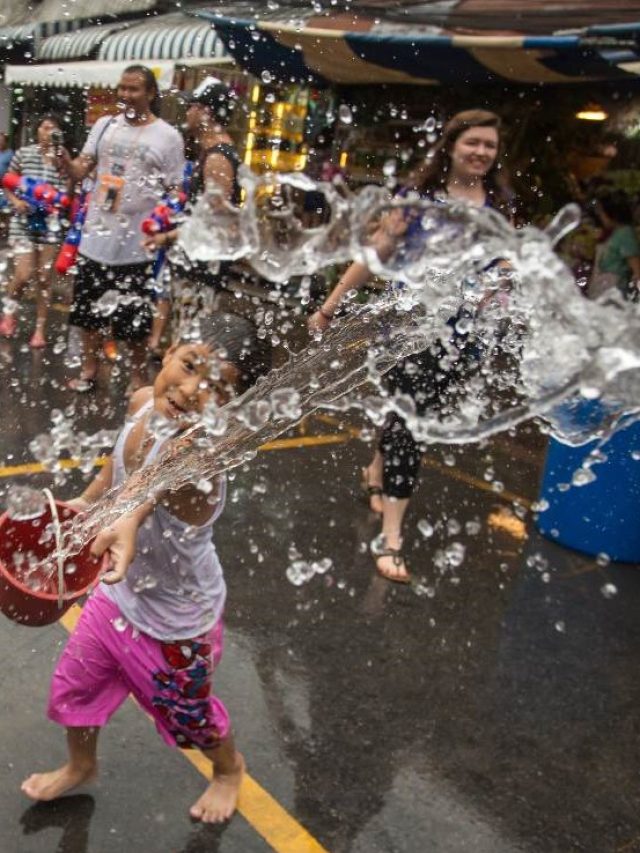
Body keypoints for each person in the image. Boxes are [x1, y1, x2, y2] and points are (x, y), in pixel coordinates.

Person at [21, 311, 269, 823]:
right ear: (171, 348)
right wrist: (84, 507)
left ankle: (228, 770)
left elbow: (154, 483)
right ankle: (80, 765)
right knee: (74, 685)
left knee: (189, 720)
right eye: (189, 364)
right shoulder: (139, 404)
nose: (192, 389)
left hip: (178, 621)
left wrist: (128, 518)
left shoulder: (203, 460)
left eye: (217, 387)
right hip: (119, 594)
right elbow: (118, 469)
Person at [309, 109, 514, 583]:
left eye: (489, 145)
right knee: (412, 427)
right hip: (406, 332)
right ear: (451, 146)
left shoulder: (497, 204)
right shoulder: (418, 198)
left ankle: (374, 470)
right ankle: (392, 538)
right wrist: (331, 304)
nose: (481, 152)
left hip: (461, 337)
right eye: (473, 143)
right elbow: (377, 253)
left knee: (410, 413)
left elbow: (504, 261)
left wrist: (503, 278)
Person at [59, 65, 185, 393]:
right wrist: (65, 164)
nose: (125, 95)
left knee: (135, 320)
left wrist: (163, 232)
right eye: (122, 89)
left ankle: (137, 376)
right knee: (87, 315)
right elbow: (80, 169)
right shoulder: (104, 126)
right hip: (94, 241)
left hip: (135, 247)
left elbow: (176, 194)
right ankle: (89, 370)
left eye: (134, 90)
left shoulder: (168, 137)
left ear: (151, 94)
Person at [143, 76, 241, 348]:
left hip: (201, 268)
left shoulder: (218, 158)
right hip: (195, 262)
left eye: (192, 106)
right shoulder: (210, 153)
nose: (187, 112)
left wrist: (165, 238)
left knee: (191, 341)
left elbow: (215, 222)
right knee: (185, 336)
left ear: (206, 112)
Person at [0, 116, 69, 347]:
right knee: (23, 275)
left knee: (43, 278)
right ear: (37, 130)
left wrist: (58, 200)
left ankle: (39, 330)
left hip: (50, 225)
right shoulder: (24, 153)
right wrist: (15, 202)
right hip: (23, 222)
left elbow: (69, 191)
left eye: (53, 128)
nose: (48, 131)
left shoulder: (62, 159)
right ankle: (9, 313)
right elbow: (7, 182)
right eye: (45, 127)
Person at [590, 188, 640, 301]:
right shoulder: (616, 233)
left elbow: (637, 270)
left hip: (616, 291)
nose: (600, 217)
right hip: (604, 289)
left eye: (602, 213)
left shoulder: (625, 233)